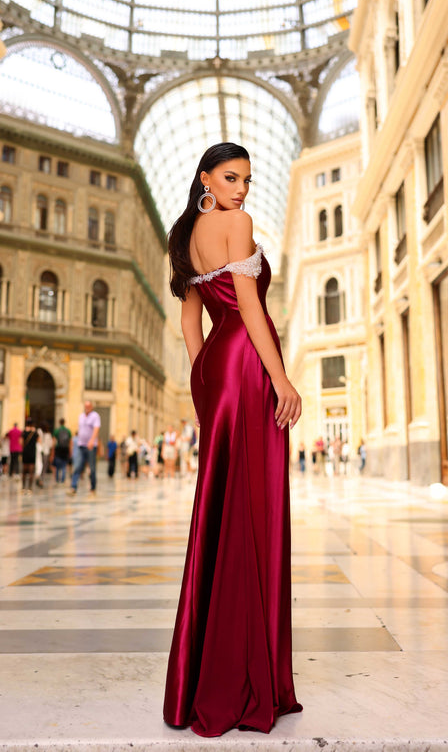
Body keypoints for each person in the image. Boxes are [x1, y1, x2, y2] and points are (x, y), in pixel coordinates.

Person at [163, 143, 302, 736]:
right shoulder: (236, 224)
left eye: (247, 179)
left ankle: (204, 677)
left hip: (217, 372)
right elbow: (249, 306)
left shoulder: (188, 236)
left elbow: (190, 320)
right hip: (246, 367)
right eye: (230, 177)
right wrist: (280, 378)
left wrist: (204, 383)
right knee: (253, 509)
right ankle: (247, 678)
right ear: (206, 179)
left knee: (221, 509)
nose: (241, 189)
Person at [69, 401, 100, 495]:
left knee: (92, 468)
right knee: (78, 466)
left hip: (91, 446)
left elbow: (96, 429)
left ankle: (93, 487)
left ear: (92, 407)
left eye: (88, 406)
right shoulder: (81, 416)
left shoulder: (95, 416)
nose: (87, 407)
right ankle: (73, 487)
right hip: (81, 445)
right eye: (85, 406)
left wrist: (92, 440)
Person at [21, 417, 38, 495]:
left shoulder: (24, 432)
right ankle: (30, 488)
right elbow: (39, 441)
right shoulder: (35, 432)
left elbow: (21, 442)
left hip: (25, 453)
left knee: (24, 471)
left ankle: (23, 487)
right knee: (31, 471)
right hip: (32, 453)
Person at [53, 418, 71, 484]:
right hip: (66, 448)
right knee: (64, 465)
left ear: (59, 422)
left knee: (58, 465)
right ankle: (63, 479)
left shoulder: (57, 431)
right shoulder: (68, 431)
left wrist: (53, 451)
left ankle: (57, 479)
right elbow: (70, 442)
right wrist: (70, 451)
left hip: (59, 448)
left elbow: (54, 441)